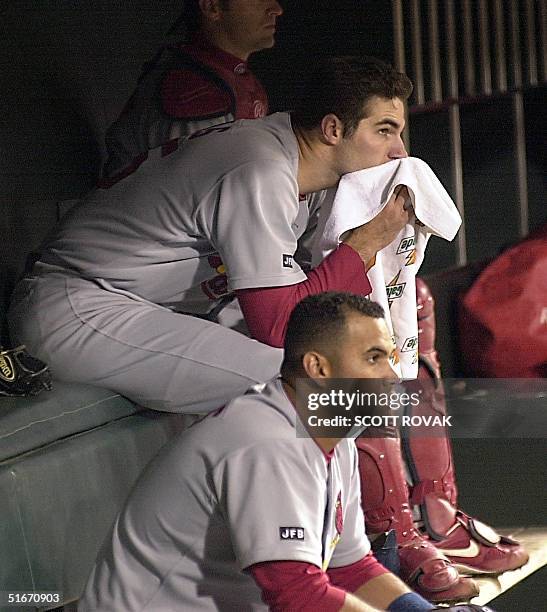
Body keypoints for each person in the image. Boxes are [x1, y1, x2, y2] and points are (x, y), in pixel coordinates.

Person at [8, 56, 413, 415]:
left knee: (357, 365)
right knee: (311, 385)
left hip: (153, 301)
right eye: (384, 131)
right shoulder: (261, 169)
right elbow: (278, 326)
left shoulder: (306, 164)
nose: (399, 152)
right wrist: (364, 244)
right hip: (78, 302)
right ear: (331, 129)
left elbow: (305, 294)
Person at [78, 292, 492, 612]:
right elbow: (295, 595)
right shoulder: (263, 440)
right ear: (318, 368)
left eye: (391, 357)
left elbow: (349, 567)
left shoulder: (337, 434)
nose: (391, 375)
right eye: (373, 358)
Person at [102, 0, 282, 179]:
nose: (277, 10)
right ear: (212, 7)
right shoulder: (192, 89)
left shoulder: (228, 76)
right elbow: (193, 193)